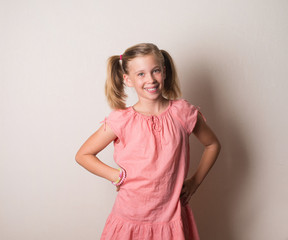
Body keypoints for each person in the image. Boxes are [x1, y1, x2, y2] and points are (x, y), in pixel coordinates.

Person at [75, 43, 221, 240]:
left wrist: (194, 182)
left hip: (170, 218)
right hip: (130, 217)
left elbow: (212, 145)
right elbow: (83, 155)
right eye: (141, 74)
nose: (150, 79)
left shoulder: (183, 112)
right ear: (128, 79)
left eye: (155, 71)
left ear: (164, 71)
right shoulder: (122, 119)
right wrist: (115, 175)